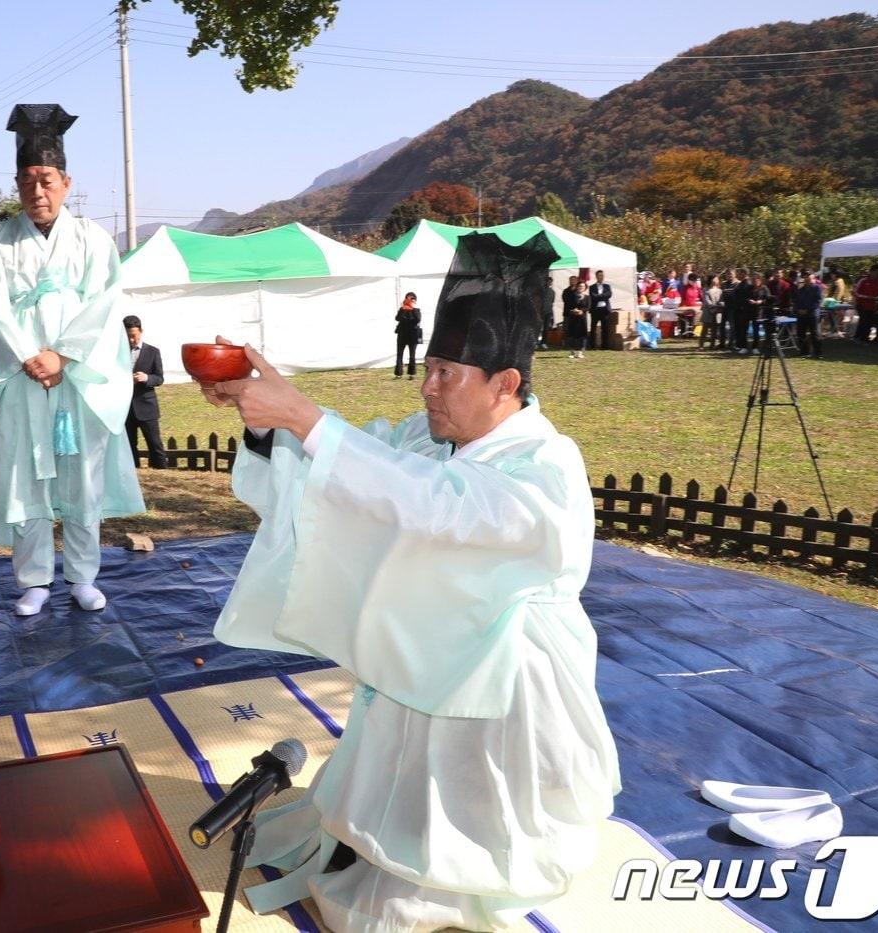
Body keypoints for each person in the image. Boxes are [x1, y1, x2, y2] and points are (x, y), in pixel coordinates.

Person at [198, 230, 620, 932]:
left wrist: (306, 416)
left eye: (448, 373)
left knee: (428, 872)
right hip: (423, 657)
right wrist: (269, 421)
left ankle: (450, 859)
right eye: (428, 366)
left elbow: (437, 505)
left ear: (506, 384)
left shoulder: (545, 463)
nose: (427, 386)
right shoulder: (429, 438)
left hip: (504, 680)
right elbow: (352, 469)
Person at [0, 104, 144, 617]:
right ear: (17, 185)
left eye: (46, 180)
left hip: (78, 376)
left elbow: (105, 303)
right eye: (26, 181)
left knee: (81, 478)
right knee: (26, 476)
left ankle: (83, 576)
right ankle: (35, 579)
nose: (36, 192)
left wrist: (61, 355)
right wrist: (28, 356)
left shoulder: (93, 239)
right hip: (21, 379)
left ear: (66, 182)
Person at [123, 315, 167, 469]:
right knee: (129, 445)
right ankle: (133, 474)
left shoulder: (153, 352)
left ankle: (162, 473)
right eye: (127, 337)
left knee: (155, 444)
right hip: (125, 408)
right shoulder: (118, 353)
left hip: (147, 406)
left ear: (141, 331)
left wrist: (146, 378)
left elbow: (159, 378)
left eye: (133, 336)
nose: (131, 340)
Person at [792, 274, 823, 359]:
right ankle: (804, 352)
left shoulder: (817, 288)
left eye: (809, 278)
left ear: (813, 279)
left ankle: (818, 353)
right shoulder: (801, 289)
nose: (807, 280)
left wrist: (808, 310)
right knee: (801, 334)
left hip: (812, 314)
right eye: (805, 278)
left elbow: (818, 301)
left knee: (815, 333)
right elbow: (796, 301)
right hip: (801, 314)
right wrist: (798, 309)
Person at [852, 265, 878, 343]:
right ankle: (862, 338)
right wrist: (866, 297)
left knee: (869, 322)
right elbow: (855, 292)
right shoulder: (863, 281)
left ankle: (860, 337)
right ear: (871, 271)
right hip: (861, 304)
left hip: (872, 306)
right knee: (864, 321)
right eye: (876, 272)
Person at [393, 291, 422, 378]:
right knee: (399, 354)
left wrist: (413, 308)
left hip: (413, 334)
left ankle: (411, 373)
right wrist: (403, 309)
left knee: (412, 354)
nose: (409, 300)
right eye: (408, 298)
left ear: (415, 300)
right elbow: (397, 318)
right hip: (402, 334)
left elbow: (417, 319)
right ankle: (398, 374)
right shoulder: (402, 309)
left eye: (412, 298)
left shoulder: (416, 310)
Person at [563, 278, 589, 360]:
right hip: (573, 318)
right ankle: (572, 352)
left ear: (585, 288)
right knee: (572, 335)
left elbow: (588, 307)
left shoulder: (587, 297)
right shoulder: (572, 296)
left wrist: (582, 311)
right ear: (577, 287)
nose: (581, 287)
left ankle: (580, 352)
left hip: (582, 318)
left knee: (582, 335)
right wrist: (573, 310)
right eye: (579, 286)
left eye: (582, 286)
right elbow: (568, 306)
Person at [587, 269, 613, 349]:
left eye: (602, 275)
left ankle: (605, 346)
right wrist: (603, 296)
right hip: (595, 310)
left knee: (605, 329)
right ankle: (592, 345)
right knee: (593, 328)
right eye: (599, 275)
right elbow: (593, 296)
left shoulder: (607, 286)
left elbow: (609, 295)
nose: (600, 277)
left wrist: (599, 296)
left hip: (605, 310)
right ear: (596, 277)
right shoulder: (592, 287)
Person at [699, 273, 724, 349]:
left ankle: (712, 345)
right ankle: (701, 345)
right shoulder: (705, 289)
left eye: (717, 279)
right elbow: (707, 301)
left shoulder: (720, 290)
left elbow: (722, 300)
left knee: (714, 330)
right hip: (708, 312)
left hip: (717, 313)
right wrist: (714, 307)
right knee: (705, 329)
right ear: (711, 280)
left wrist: (721, 304)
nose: (716, 280)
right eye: (715, 279)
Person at [539, 276, 555, 349]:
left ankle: (544, 342)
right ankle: (535, 342)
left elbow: (552, 302)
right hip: (539, 312)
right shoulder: (540, 291)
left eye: (550, 282)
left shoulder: (552, 292)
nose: (548, 283)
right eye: (547, 281)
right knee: (538, 327)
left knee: (546, 328)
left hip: (548, 312)